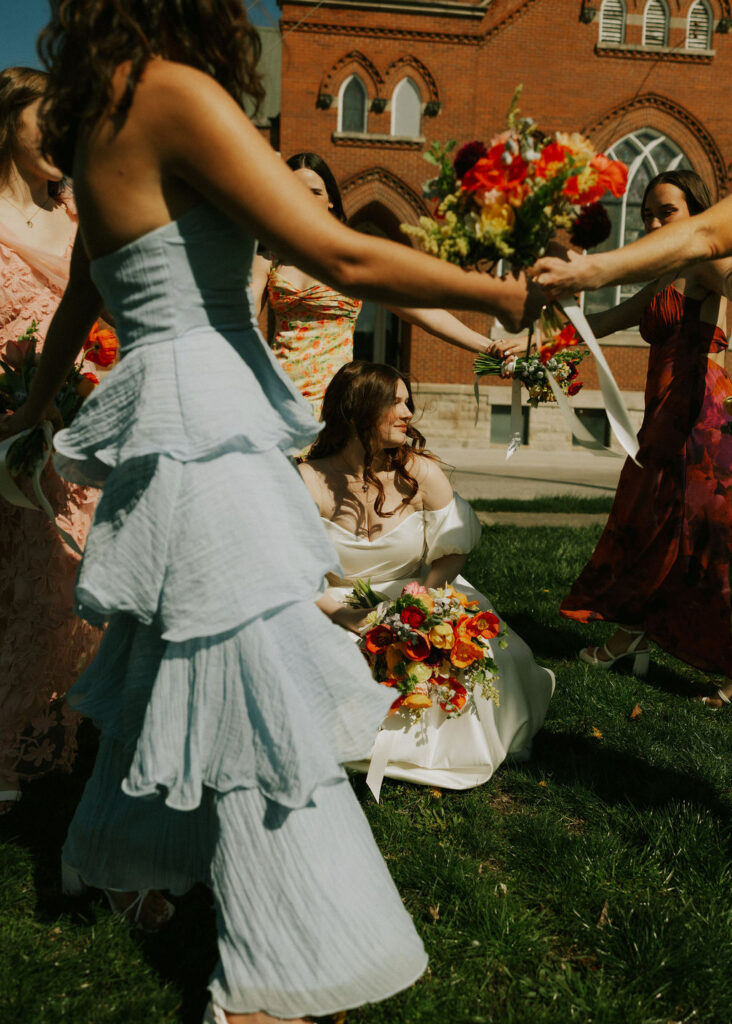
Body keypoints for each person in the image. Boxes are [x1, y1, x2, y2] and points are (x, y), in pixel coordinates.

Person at [1, 2, 544, 1020]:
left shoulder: (111, 106)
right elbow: (334, 253)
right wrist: (499, 296)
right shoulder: (170, 90)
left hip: (178, 417)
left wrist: (31, 411)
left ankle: (121, 860)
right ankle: (270, 980)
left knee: (187, 658)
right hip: (203, 421)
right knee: (256, 688)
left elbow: (84, 281)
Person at [299, 361, 555, 791]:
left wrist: (421, 601)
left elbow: (452, 550)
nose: (407, 413)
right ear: (356, 412)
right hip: (329, 603)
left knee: (486, 658)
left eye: (407, 401)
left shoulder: (419, 472)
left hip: (420, 593)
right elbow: (290, 572)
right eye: (394, 403)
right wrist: (346, 617)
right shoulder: (308, 479)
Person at [535, 171, 732, 709]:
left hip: (699, 417)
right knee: (647, 525)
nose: (652, 222)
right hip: (659, 417)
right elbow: (604, 321)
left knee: (707, 543)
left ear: (697, 213)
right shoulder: (665, 273)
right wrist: (545, 330)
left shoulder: (708, 261)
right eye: (646, 212)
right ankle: (633, 636)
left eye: (666, 212)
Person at [0, 67, 101, 814]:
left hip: (73, 424)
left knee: (63, 586)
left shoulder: (76, 213)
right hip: (6, 422)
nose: (60, 135)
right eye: (47, 119)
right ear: (7, 122)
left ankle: (51, 732)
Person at [251, 151, 526, 415]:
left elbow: (422, 312)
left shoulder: (352, 254)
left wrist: (490, 346)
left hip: (334, 399)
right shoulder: (268, 257)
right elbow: (240, 321)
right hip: (278, 393)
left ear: (330, 199)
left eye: (315, 192)